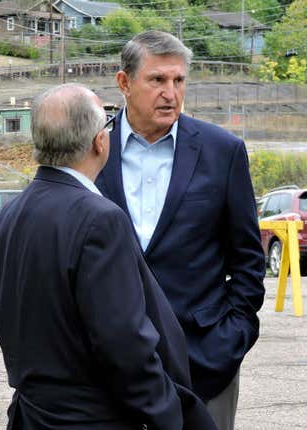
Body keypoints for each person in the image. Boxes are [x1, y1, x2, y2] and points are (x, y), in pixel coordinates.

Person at [0, 83, 216, 430]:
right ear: (99, 141)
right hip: (92, 418)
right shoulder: (99, 220)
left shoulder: (10, 214)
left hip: (30, 416)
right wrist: (168, 413)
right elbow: (123, 341)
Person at [95, 30, 265, 430]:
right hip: (108, 368)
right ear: (124, 83)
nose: (170, 93)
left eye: (179, 80)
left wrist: (231, 340)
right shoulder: (92, 149)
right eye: (157, 80)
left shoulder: (222, 151)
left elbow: (248, 260)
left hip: (204, 365)